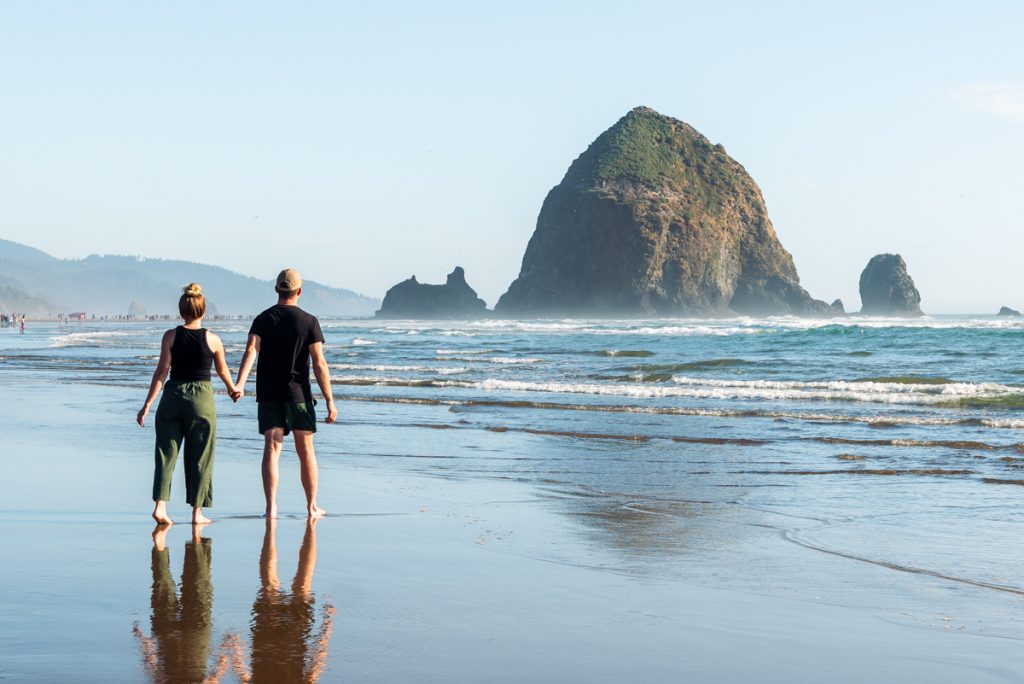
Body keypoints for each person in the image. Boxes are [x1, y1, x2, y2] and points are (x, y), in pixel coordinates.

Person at [235, 269, 337, 519]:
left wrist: (239, 383)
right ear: (299, 291)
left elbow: (250, 352)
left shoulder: (262, 318)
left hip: (269, 393)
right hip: (299, 394)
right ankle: (312, 506)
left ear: (276, 290)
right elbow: (319, 363)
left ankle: (271, 508)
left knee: (271, 448)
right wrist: (330, 400)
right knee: (306, 451)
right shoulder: (309, 321)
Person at [137, 284, 240, 525]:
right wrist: (232, 388)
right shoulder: (213, 339)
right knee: (201, 456)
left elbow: (162, 372)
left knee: (166, 452)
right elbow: (223, 371)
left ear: (181, 311)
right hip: (201, 398)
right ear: (203, 311)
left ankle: (160, 507)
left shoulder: (170, 336)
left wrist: (147, 404)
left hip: (172, 396)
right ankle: (197, 512)